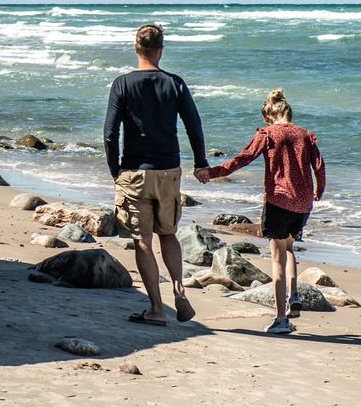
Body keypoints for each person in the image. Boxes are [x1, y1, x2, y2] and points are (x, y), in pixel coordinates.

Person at [104, 24, 210, 326]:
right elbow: (193, 125)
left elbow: (110, 133)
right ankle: (178, 289)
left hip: (135, 171)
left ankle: (156, 309)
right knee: (168, 233)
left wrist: (116, 170)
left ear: (136, 49)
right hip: (169, 171)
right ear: (161, 50)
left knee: (142, 241)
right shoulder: (175, 83)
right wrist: (200, 161)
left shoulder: (122, 84)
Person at [203, 89, 326, 335]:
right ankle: (294, 296)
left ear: (270, 116)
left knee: (277, 257)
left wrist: (212, 172)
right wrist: (319, 191)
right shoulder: (305, 135)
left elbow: (243, 158)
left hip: (278, 201)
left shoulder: (268, 134)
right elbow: (320, 167)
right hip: (302, 204)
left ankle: (281, 319)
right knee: (289, 249)